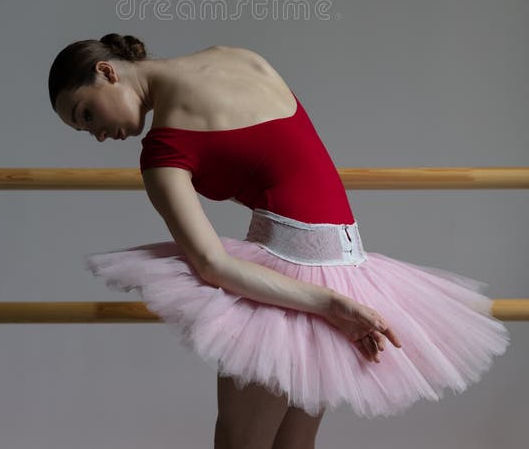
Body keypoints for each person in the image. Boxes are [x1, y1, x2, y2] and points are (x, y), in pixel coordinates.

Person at [49, 34, 510, 448]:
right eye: (84, 129)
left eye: (86, 113)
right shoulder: (234, 55)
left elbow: (212, 265)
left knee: (239, 443)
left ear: (107, 72)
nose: (98, 134)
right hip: (344, 264)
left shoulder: (163, 151)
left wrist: (331, 306)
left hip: (298, 276)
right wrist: (334, 298)